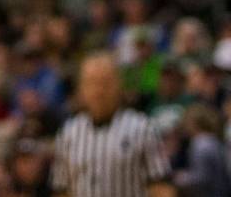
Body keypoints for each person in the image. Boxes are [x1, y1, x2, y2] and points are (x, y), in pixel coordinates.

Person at [51, 52, 174, 197]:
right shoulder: (68, 133)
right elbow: (62, 190)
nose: (99, 91)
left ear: (119, 85)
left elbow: (161, 188)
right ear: (81, 89)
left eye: (105, 82)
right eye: (91, 83)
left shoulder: (142, 128)